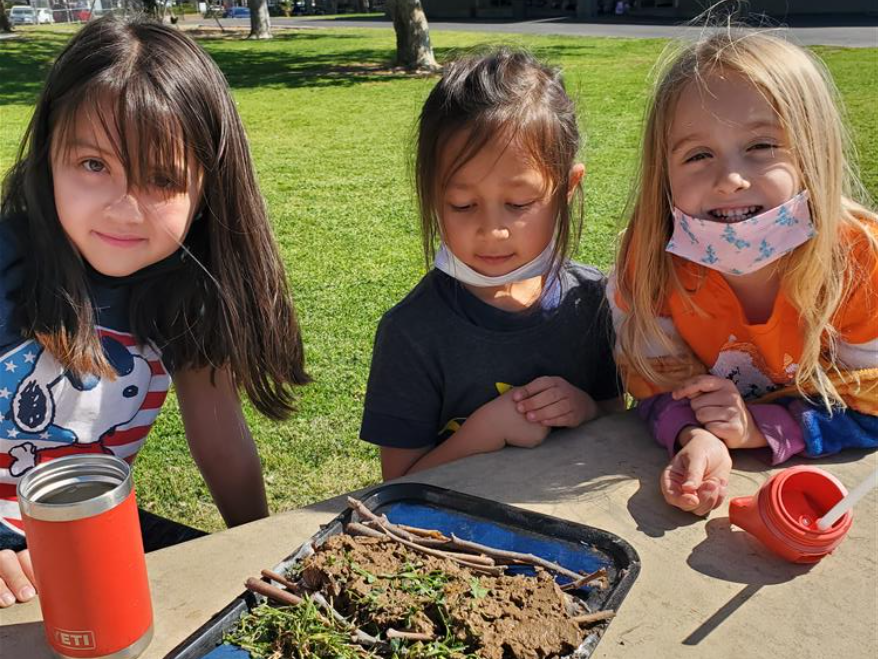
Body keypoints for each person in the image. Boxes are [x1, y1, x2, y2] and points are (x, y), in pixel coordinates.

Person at [0, 16, 309, 605]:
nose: (123, 207)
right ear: (48, 158)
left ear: (207, 192)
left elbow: (218, 433)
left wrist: (255, 543)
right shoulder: (6, 264)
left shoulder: (188, 287)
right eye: (94, 165)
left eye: (162, 178)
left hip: (98, 535)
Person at [609, 30, 878, 517]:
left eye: (761, 145)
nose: (730, 178)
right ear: (661, 172)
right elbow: (653, 379)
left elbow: (872, 406)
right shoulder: (649, 260)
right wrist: (696, 434)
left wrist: (762, 429)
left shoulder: (862, 260)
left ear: (814, 154)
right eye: (697, 155)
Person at [361, 48, 624, 481]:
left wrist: (587, 408)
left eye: (519, 203)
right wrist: (484, 432)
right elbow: (400, 482)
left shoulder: (594, 302)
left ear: (567, 187)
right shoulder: (411, 334)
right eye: (462, 205)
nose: (492, 230)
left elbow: (617, 425)